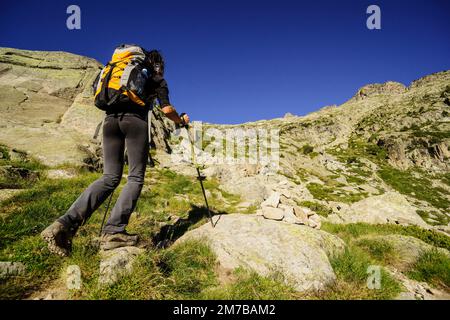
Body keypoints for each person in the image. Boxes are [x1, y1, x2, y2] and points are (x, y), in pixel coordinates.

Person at [41, 49, 189, 256]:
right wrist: (181, 121)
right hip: (134, 122)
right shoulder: (155, 78)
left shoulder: (122, 70)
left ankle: (63, 224)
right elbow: (166, 110)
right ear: (158, 65)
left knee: (109, 177)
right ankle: (114, 232)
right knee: (135, 177)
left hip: (110, 121)